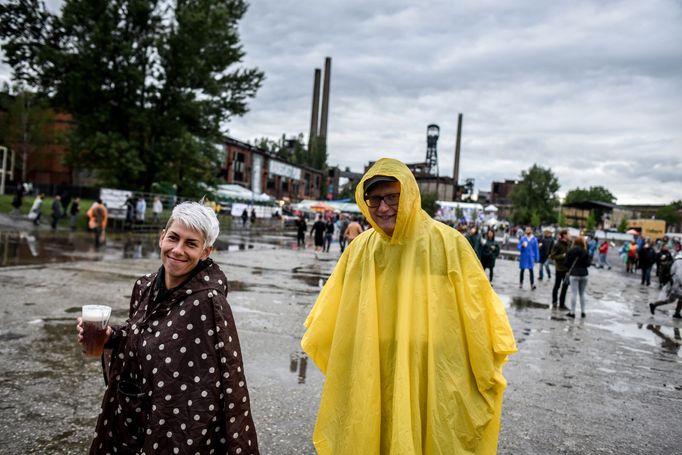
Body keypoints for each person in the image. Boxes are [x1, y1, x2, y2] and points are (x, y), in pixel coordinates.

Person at [301, 158, 516, 454]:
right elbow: (333, 317)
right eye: (374, 199)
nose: (383, 208)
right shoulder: (360, 250)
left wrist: (482, 370)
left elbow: (479, 316)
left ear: (411, 196)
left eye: (392, 197)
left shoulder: (448, 245)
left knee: (431, 436)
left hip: (431, 371)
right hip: (373, 367)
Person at [76, 201, 259, 454]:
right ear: (162, 237)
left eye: (191, 243)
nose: (178, 249)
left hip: (178, 427)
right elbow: (139, 330)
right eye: (173, 238)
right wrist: (110, 335)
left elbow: (223, 381)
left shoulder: (209, 302)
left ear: (206, 251)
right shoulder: (145, 285)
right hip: (133, 414)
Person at [649, 250, 682, 319]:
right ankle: (654, 304)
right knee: (671, 300)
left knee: (675, 299)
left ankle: (677, 313)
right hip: (677, 284)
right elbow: (679, 275)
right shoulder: (680, 262)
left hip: (675, 284)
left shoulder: (676, 261)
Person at [565, 236, 591, 318]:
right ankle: (583, 312)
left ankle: (572, 312)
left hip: (574, 273)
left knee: (573, 293)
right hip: (584, 274)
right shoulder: (585, 251)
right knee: (582, 293)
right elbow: (588, 264)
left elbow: (567, 263)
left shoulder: (571, 251)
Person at [550, 229, 571, 309]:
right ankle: (554, 302)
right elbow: (552, 256)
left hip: (567, 269)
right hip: (559, 269)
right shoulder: (557, 244)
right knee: (557, 286)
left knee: (565, 287)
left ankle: (562, 304)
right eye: (568, 234)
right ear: (564, 235)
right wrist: (562, 256)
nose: (570, 235)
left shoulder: (569, 243)